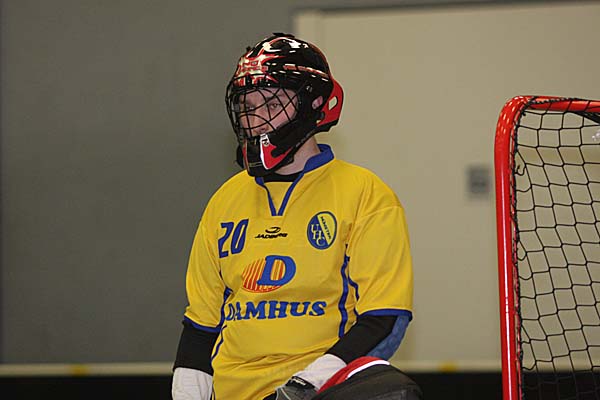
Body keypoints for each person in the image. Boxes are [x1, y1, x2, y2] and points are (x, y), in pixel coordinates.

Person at [172, 33, 414, 400]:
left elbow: (384, 319)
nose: (255, 118)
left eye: (271, 103)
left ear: (314, 103)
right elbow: (200, 326)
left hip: (320, 391)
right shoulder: (224, 201)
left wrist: (302, 388)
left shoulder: (366, 194)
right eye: (247, 105)